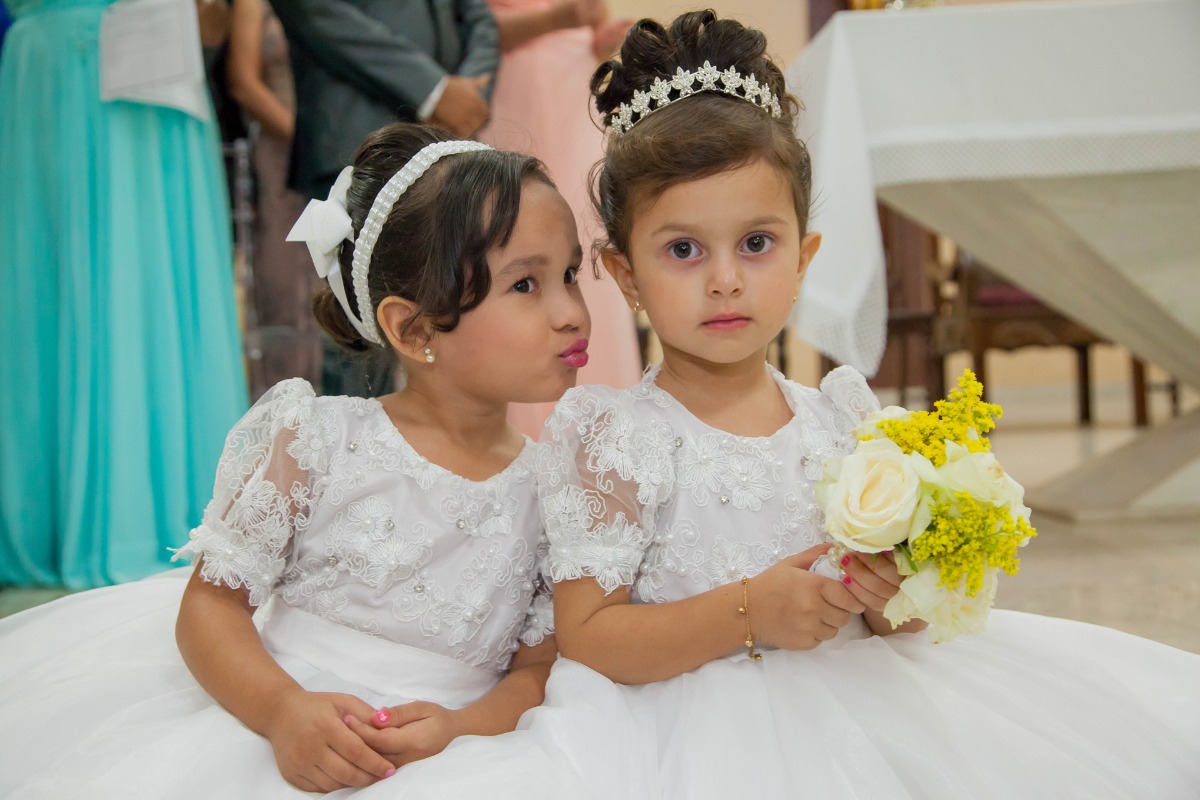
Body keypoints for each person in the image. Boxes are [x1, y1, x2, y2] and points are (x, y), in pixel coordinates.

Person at [517, 11, 1200, 798]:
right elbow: (591, 637)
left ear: (805, 256)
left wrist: (888, 599)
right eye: (683, 250)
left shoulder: (842, 417)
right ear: (626, 275)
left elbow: (900, 618)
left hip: (865, 703)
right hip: (692, 736)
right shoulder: (615, 436)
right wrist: (748, 613)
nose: (725, 279)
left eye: (757, 243)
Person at [0, 123, 593, 798]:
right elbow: (211, 609)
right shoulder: (315, 440)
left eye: (571, 274)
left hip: (448, 759)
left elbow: (537, 668)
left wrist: (462, 728)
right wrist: (281, 710)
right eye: (526, 285)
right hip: (269, 721)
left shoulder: (560, 491)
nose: (571, 312)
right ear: (415, 328)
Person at [0, 0, 248, 588]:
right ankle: (90, 520)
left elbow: (215, 20)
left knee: (132, 265)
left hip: (146, 57)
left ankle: (131, 514)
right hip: (70, 65)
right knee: (70, 268)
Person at [269, 0, 500, 398]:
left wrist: (464, 91)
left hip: (448, 140)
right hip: (356, 129)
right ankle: (354, 456)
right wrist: (432, 90)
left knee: (458, 303)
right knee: (361, 334)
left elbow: (477, 17)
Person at [479, 0, 640, 437]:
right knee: (518, 240)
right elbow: (467, 27)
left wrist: (600, 41)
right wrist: (559, 19)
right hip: (518, 86)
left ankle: (605, 425)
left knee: (588, 240)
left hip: (574, 88)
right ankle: (526, 430)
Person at [228, 0, 323, 397]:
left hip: (335, 156)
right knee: (282, 292)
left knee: (331, 291)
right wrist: (305, 142)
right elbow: (244, 82)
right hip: (279, 161)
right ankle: (282, 424)